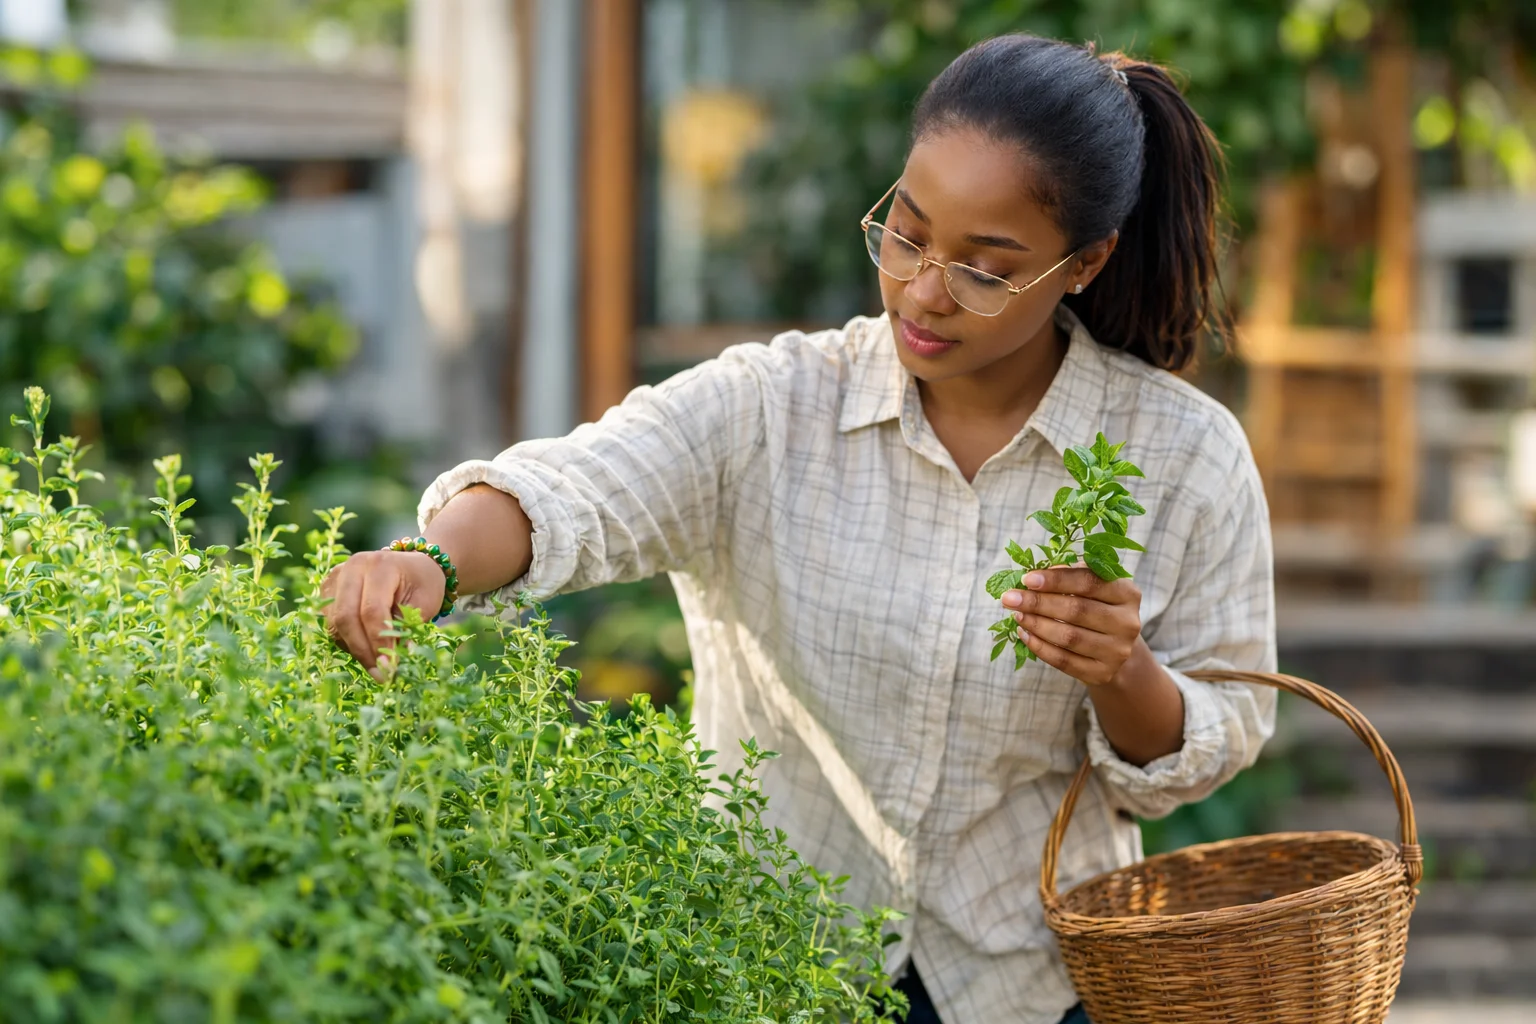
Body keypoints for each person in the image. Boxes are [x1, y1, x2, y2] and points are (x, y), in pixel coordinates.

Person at [323, 33, 1276, 1024]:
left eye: (986, 270)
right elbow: (577, 489)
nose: (924, 290)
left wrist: (1120, 669)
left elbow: (1217, 731)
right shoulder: (774, 407)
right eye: (906, 235)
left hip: (1030, 982)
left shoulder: (1183, 456)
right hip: (769, 973)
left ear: (1086, 262)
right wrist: (431, 558)